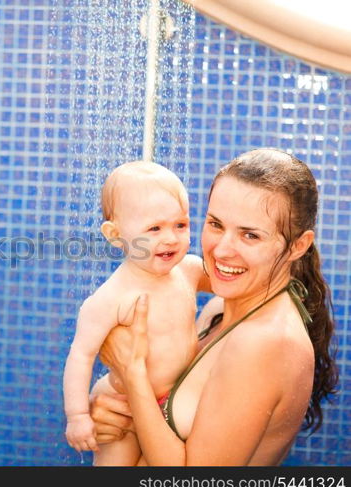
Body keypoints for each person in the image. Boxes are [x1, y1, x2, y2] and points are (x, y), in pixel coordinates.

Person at [90, 149, 338, 465]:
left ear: (297, 246)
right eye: (216, 224)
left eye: (250, 235)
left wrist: (132, 373)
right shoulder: (218, 311)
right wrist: (110, 413)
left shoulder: (266, 341)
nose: (221, 249)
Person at [63, 161, 209, 465]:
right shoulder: (111, 297)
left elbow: (238, 286)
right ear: (115, 235)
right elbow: (81, 355)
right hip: (124, 402)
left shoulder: (190, 271)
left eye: (180, 225)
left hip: (177, 400)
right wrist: (77, 415)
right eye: (154, 228)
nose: (169, 238)